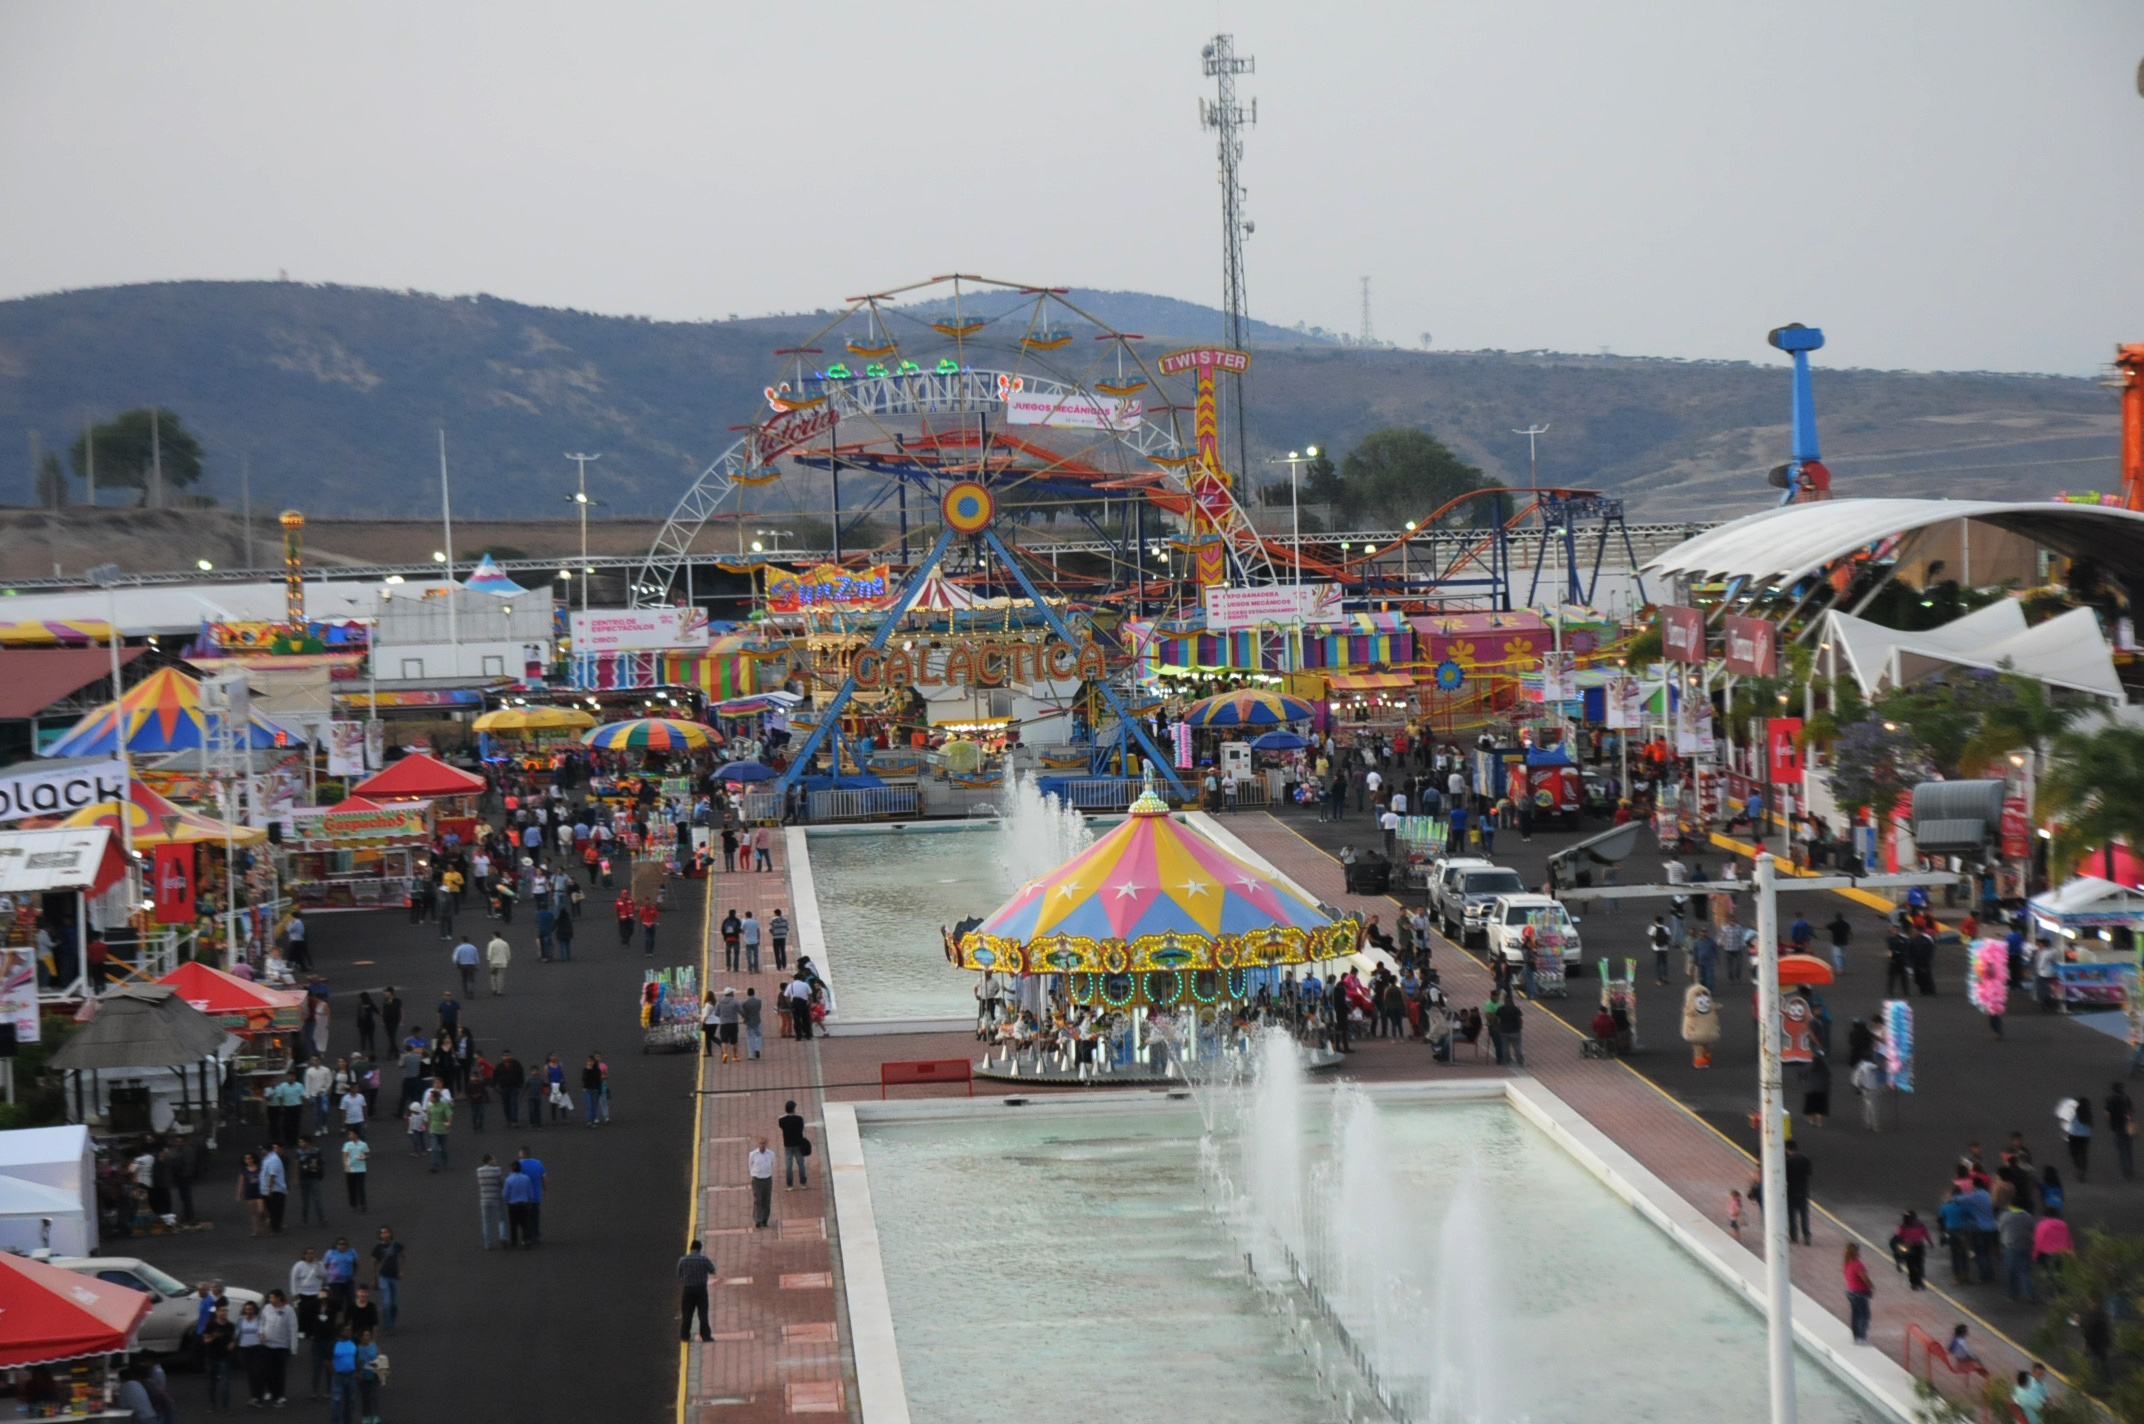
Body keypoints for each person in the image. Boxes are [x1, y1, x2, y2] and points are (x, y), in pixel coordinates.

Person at [259, 1289, 298, 1407]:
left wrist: (294, 1348)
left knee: (279, 1372)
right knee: (268, 1370)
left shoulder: (289, 1310)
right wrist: (261, 1333)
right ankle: (270, 1391)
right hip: (267, 1345)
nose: (270, 1300)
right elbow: (261, 1322)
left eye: (273, 1298)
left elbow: (293, 1329)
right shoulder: (266, 1308)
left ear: (279, 1298)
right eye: (270, 1298)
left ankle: (280, 1396)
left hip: (281, 1346)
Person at [1998, 1195, 2037, 1301]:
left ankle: (2012, 1294)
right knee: (2025, 1271)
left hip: (2010, 1246)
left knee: (2011, 1271)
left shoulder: (2005, 1216)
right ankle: (2029, 1292)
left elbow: (2000, 1228)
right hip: (2025, 1245)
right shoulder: (2028, 1216)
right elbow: (2033, 1229)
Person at [201, 1302, 238, 1413]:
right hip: (212, 1357)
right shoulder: (210, 1325)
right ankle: (212, 1405)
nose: (224, 1313)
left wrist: (233, 1344)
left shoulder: (230, 1326)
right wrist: (213, 1337)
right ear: (217, 1312)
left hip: (225, 1357)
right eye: (222, 1310)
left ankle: (225, 1407)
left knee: (225, 1383)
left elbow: (234, 1338)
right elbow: (205, 1340)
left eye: (226, 1311)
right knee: (212, 1383)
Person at [679, 1239, 717, 1343]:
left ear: (691, 1248)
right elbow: (713, 1270)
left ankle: (685, 1335)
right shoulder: (703, 1259)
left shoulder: (683, 1260)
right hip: (701, 1290)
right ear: (700, 1249)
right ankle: (705, 1336)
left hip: (688, 1290)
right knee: (703, 1313)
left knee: (687, 1314)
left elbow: (679, 1273)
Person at [370, 1226, 404, 1334]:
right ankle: (388, 1325)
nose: (385, 1234)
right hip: (383, 1277)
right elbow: (374, 1264)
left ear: (390, 1234)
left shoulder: (396, 1246)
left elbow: (405, 1257)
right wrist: (374, 1279)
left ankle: (391, 1321)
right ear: (380, 1235)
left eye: (387, 1232)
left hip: (394, 1277)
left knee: (394, 1304)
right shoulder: (377, 1248)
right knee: (387, 1302)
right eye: (383, 1233)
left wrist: (402, 1271)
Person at [1889, 1209, 1930, 1290]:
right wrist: (1930, 1242)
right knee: (1919, 1264)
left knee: (1911, 1266)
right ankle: (1920, 1282)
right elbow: (1926, 1234)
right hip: (1919, 1247)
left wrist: (1897, 1246)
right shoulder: (1920, 1224)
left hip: (1907, 1246)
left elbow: (1898, 1236)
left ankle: (1914, 1283)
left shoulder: (1903, 1226)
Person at [1842, 1242, 1874, 1344]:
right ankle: (1862, 1337)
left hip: (1850, 1292)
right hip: (1860, 1293)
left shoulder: (1846, 1263)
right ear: (1856, 1252)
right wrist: (1871, 1286)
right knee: (1864, 1315)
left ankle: (1856, 1336)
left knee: (1855, 1315)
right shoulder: (1858, 1264)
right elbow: (1864, 1278)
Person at [1784, 1140, 1813, 1246]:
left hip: (1791, 1191)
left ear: (1787, 1148)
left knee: (1791, 1216)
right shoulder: (1805, 1159)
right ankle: (1806, 1236)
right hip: (1803, 1190)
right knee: (1804, 1215)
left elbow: (1785, 1176)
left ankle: (1793, 1236)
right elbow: (1809, 1173)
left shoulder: (1787, 1161)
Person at [2059, 1092, 2093, 1182]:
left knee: (2074, 1153)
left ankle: (2079, 1167)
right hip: (2085, 1136)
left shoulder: (2074, 1112)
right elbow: (2091, 1125)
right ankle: (2083, 1170)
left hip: (2074, 1135)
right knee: (2083, 1153)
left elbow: (2067, 1122)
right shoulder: (2088, 1113)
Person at [296, 1135, 329, 1226]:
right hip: (304, 1177)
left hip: (314, 1177)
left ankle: (321, 1219)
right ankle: (305, 1220)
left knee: (316, 1199)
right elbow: (297, 1165)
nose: (300, 1144)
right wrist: (296, 1178)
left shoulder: (316, 1151)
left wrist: (320, 1172)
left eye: (302, 1142)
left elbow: (321, 1163)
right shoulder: (299, 1152)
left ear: (307, 1142)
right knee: (305, 1200)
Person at [515, 1147, 546, 1243]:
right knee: (535, 1216)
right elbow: (544, 1177)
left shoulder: (518, 1164)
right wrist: (544, 1189)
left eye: (519, 1153)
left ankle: (527, 1237)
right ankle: (536, 1235)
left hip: (523, 1197)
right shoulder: (538, 1163)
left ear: (523, 1154)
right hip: (536, 1195)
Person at [503, 1158, 536, 1247]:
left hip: (512, 1205)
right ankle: (526, 1240)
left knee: (513, 1224)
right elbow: (530, 1192)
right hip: (524, 1204)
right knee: (525, 1223)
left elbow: (505, 1194)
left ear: (512, 1169)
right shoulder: (526, 1178)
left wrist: (506, 1200)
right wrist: (530, 1201)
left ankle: (514, 1242)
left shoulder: (508, 1180)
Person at [2107, 1081, 2136, 1180]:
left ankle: (2125, 1172)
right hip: (2128, 1126)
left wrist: (2111, 1125)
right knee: (2129, 1150)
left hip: (2117, 1127)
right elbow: (2131, 1112)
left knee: (2121, 1151)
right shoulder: (2126, 1098)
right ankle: (2131, 1171)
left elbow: (2109, 1115)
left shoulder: (2110, 1100)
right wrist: (2130, 1119)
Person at [779, 1100, 810, 1189]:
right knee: (801, 1163)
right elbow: (802, 1127)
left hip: (787, 1145)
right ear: (793, 1109)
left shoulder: (782, 1120)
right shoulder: (799, 1119)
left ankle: (789, 1185)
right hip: (798, 1144)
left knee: (789, 1164)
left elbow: (780, 1125)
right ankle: (803, 1183)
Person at [259, 1142, 289, 1234]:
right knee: (272, 1210)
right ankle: (273, 1228)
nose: (261, 1151)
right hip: (267, 1189)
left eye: (262, 1149)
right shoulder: (267, 1159)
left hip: (275, 1190)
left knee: (275, 1210)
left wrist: (270, 1189)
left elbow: (273, 1175)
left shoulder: (273, 1160)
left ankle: (276, 1230)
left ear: (266, 1149)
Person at [477, 1153, 506, 1249]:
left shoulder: (479, 1171)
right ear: (489, 1161)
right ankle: (503, 1236)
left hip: (484, 1199)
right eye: (494, 1160)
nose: (496, 1161)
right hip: (496, 1198)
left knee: (486, 1221)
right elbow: (503, 1183)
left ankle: (488, 1243)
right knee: (501, 1219)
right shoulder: (497, 1171)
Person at [748, 1136, 776, 1228]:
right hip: (757, 1179)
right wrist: (754, 1175)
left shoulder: (771, 1154)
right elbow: (750, 1165)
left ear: (766, 1144)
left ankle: (765, 1220)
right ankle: (758, 1219)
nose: (762, 1145)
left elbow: (772, 1163)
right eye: (760, 1143)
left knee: (766, 1200)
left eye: (764, 1143)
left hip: (767, 1179)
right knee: (758, 1200)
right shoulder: (753, 1154)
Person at [341, 1127, 369, 1212]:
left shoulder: (363, 1144)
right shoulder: (347, 1144)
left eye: (351, 1133)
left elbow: (367, 1155)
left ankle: (363, 1204)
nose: (349, 1135)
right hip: (351, 1169)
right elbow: (344, 1156)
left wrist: (364, 1157)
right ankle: (354, 1204)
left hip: (361, 1169)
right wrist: (346, 1166)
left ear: (356, 1134)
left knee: (361, 1187)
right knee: (351, 1187)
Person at [740, 987, 763, 1060]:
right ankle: (757, 1049)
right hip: (757, 1020)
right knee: (758, 1035)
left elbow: (743, 1012)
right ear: (754, 993)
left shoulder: (744, 1003)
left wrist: (744, 1017)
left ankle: (751, 1055)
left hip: (748, 1021)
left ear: (747, 993)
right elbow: (759, 1009)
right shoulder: (758, 1001)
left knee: (750, 1038)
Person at [487, 929, 511, 995]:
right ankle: (500, 990)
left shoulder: (492, 943)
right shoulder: (505, 943)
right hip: (502, 962)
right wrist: (508, 959)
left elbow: (489, 953)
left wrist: (489, 959)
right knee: (501, 977)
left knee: (493, 976)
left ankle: (494, 988)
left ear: (494, 936)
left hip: (494, 962)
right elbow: (508, 953)